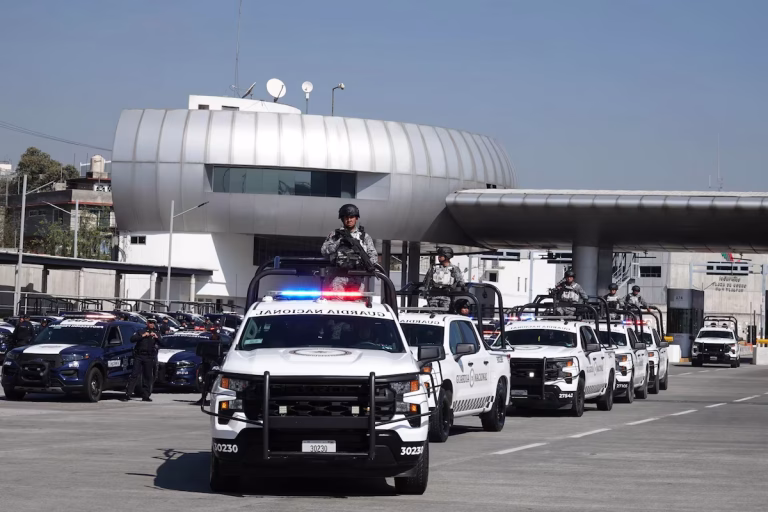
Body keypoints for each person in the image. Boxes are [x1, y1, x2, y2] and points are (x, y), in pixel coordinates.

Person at [320, 204, 378, 292]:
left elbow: (373, 257)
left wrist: (364, 263)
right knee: (335, 305)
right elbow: (324, 251)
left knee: (356, 305)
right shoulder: (335, 235)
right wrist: (338, 242)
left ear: (356, 218)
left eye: (352, 217)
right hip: (336, 279)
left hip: (356, 279)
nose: (349, 220)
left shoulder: (364, 237)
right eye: (346, 217)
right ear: (342, 219)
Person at [124, 318, 161, 402]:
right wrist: (142, 336)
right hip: (139, 355)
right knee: (134, 374)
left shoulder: (156, 333)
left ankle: (146, 395)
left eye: (153, 323)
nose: (151, 324)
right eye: (150, 323)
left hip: (149, 356)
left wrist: (156, 337)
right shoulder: (141, 331)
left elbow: (162, 343)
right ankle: (128, 393)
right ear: (147, 323)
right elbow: (132, 339)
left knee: (147, 377)